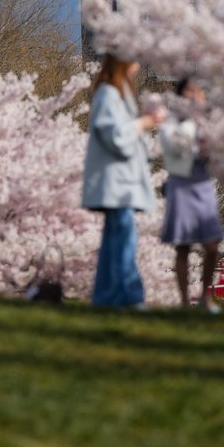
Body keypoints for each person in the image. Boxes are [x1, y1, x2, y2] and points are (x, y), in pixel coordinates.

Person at [81, 54, 164, 308]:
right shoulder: (109, 94)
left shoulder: (115, 95)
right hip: (117, 185)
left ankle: (105, 298)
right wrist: (144, 123)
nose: (138, 66)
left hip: (121, 183)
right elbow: (116, 136)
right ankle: (129, 296)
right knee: (123, 239)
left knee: (113, 240)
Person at [158, 78, 224, 311]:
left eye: (199, 91)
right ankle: (185, 301)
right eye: (190, 92)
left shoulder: (210, 122)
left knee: (212, 244)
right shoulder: (172, 122)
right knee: (183, 245)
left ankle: (206, 297)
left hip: (204, 184)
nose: (195, 96)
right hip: (181, 183)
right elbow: (175, 147)